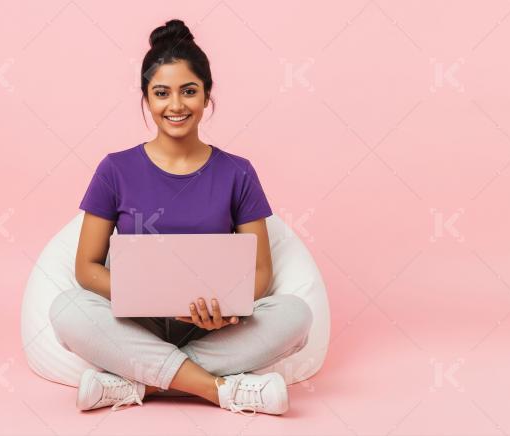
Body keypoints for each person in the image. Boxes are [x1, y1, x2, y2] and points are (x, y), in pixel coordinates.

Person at [49, 18, 313, 416]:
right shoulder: (115, 169)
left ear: (207, 96)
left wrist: (229, 310)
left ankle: (134, 384)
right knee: (67, 309)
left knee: (296, 315)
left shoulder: (237, 172)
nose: (176, 106)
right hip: (136, 323)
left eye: (189, 91)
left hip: (212, 327)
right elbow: (86, 268)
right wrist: (146, 296)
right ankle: (220, 389)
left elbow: (262, 273)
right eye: (161, 93)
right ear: (146, 99)